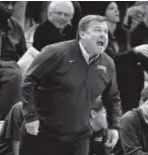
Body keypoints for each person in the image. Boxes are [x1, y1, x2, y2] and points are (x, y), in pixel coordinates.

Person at [20, 15, 122, 155]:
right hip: (43, 132)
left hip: (79, 138)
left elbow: (112, 98)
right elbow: (28, 81)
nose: (103, 35)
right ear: (82, 34)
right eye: (97, 30)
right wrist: (30, 115)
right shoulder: (56, 52)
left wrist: (114, 126)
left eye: (105, 31)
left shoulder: (108, 63)